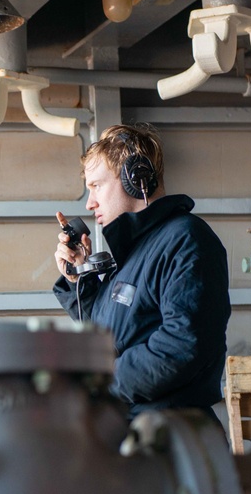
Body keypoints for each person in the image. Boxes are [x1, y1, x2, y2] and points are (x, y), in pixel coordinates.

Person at [53, 123, 231, 425]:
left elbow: (181, 346)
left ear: (135, 178)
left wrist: (101, 383)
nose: (89, 202)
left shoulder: (186, 240)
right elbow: (113, 337)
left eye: (96, 186)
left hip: (171, 436)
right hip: (132, 429)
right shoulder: (131, 254)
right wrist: (80, 279)